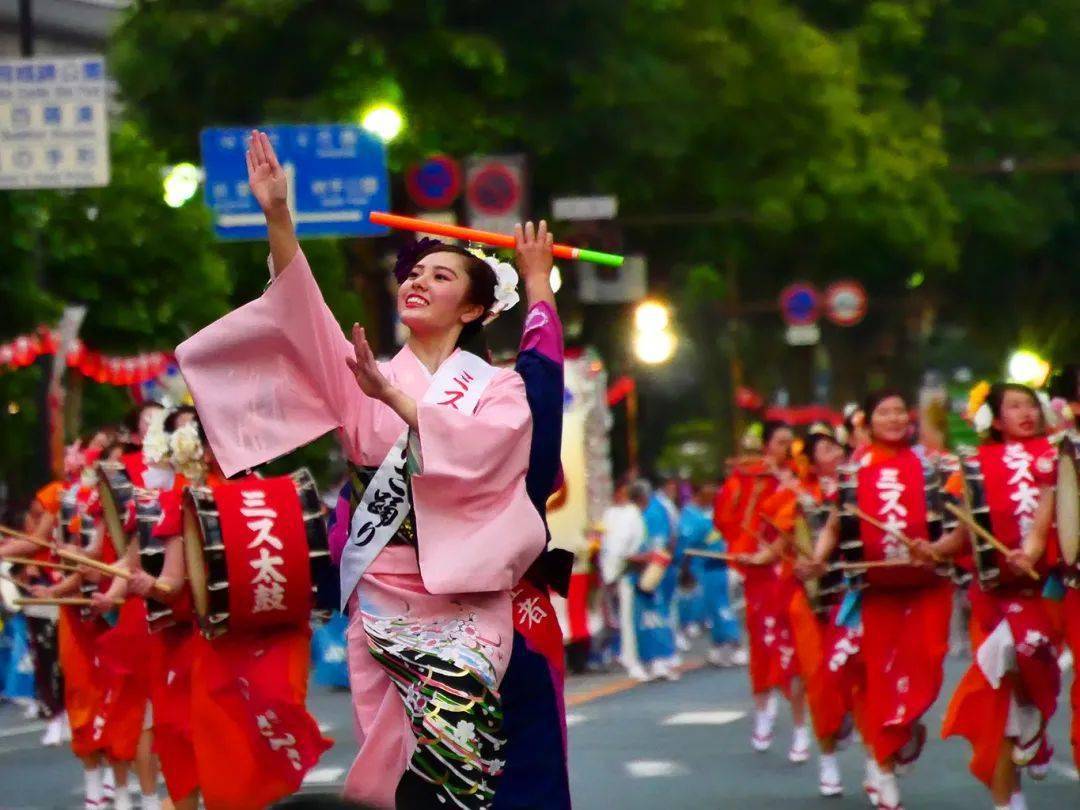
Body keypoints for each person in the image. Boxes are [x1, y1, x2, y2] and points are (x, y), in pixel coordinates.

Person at [175, 131, 546, 809]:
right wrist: (278, 218)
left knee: (452, 765)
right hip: (379, 593)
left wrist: (399, 403)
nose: (416, 280)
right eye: (412, 272)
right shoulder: (362, 370)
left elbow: (491, 451)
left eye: (440, 275)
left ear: (472, 308)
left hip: (462, 603)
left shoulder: (497, 388)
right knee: (387, 772)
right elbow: (301, 313)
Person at [803, 391, 954, 810]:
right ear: (867, 423)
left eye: (899, 410)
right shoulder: (855, 470)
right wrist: (817, 561)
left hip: (927, 590)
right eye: (883, 412)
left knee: (929, 662)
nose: (893, 418)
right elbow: (836, 524)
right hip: (875, 594)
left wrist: (939, 549)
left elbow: (959, 521)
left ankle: (905, 730)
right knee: (879, 678)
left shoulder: (932, 464)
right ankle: (883, 770)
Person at [931, 383, 1060, 810]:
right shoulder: (972, 467)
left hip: (1050, 592)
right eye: (1014, 406)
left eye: (1031, 405)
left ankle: (1035, 720)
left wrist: (1037, 551)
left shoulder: (1063, 455)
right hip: (993, 596)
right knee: (997, 700)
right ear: (995, 419)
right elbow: (963, 535)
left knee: (1033, 661)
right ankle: (1008, 800)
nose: (1026, 413)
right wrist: (932, 549)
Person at [714, 421, 806, 758]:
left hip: (792, 574)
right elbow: (728, 518)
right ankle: (763, 712)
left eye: (789, 442)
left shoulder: (800, 478)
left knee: (793, 650)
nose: (786, 449)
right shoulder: (749, 478)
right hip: (759, 575)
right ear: (767, 446)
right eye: (780, 442)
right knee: (762, 646)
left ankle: (800, 729)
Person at [677, 481, 741, 666]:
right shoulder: (697, 517)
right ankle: (722, 645)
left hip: (717, 566)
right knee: (715, 607)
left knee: (721, 606)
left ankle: (732, 643)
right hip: (708, 567)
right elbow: (687, 547)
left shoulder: (708, 517)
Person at [629, 480, 679, 681]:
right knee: (646, 618)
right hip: (640, 571)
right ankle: (651, 660)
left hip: (654, 571)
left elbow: (665, 542)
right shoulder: (637, 513)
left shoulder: (655, 511)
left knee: (657, 615)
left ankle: (662, 658)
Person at [599, 479, 648, 680]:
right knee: (617, 618)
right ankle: (621, 655)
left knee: (626, 618)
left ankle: (628, 657)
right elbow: (613, 546)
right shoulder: (616, 514)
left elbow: (624, 544)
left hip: (623, 570)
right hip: (615, 570)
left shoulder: (627, 514)